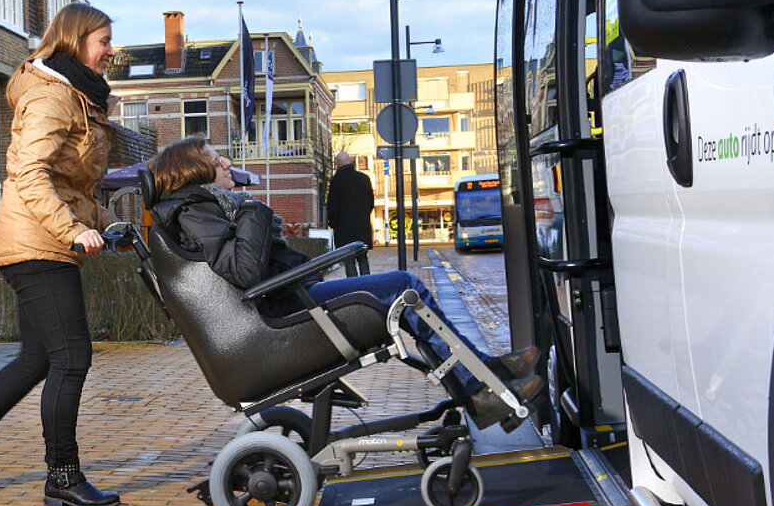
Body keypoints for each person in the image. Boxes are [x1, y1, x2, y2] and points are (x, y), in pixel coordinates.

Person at [148, 137, 543, 430]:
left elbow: (244, 264)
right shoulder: (197, 211)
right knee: (403, 288)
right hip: (278, 316)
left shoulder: (200, 208)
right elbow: (245, 270)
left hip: (279, 307)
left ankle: (482, 375)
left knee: (401, 288)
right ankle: (480, 388)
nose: (227, 163)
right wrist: (253, 211)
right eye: (216, 160)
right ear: (195, 171)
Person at [0, 4, 121, 506]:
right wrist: (74, 230)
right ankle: (62, 475)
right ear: (76, 40)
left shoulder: (76, 94)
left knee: (39, 358)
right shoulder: (52, 95)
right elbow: (30, 175)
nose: (110, 51)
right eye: (103, 41)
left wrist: (104, 223)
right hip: (38, 243)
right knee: (72, 357)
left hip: (44, 239)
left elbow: (71, 184)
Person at [327, 151, 374, 275]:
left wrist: (333, 223)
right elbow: (370, 202)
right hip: (362, 227)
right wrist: (364, 216)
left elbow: (332, 206)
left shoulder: (336, 181)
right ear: (351, 162)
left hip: (344, 229)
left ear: (337, 164)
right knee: (363, 258)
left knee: (349, 260)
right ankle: (367, 282)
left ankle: (354, 284)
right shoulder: (364, 179)